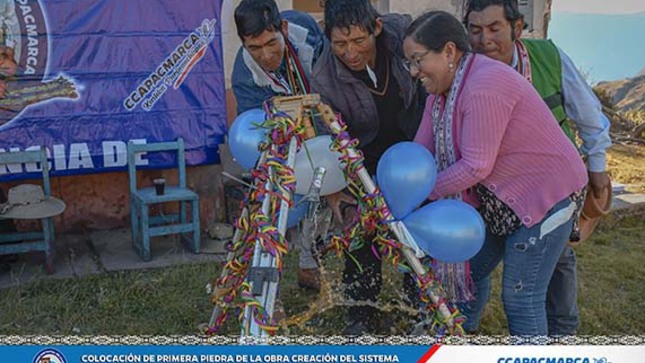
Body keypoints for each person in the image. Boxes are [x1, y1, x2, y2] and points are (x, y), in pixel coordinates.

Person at [402, 10, 588, 336]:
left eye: (418, 60)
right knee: (467, 275)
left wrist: (423, 194)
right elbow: (421, 151)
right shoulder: (441, 93)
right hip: (502, 202)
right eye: (409, 63)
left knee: (521, 296)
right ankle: (458, 341)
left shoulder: (483, 85)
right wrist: (392, 194)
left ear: (448, 51)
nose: (414, 71)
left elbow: (476, 165)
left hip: (545, 196)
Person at [463, 0, 612, 335]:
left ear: (517, 28)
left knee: (555, 257)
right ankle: (463, 328)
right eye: (475, 30)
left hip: (552, 185)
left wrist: (598, 171)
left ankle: (561, 334)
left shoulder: (547, 57)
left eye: (494, 28)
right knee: (477, 258)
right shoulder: (466, 69)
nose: (484, 39)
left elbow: (588, 115)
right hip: (495, 188)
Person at [311, 0, 426, 335]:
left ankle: (420, 301)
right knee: (362, 238)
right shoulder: (324, 78)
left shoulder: (404, 35)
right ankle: (361, 312)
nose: (350, 52)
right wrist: (338, 193)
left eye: (359, 41)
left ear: (376, 28)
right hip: (363, 160)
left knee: (416, 231)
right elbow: (326, 139)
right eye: (340, 44)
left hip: (414, 151)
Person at [232, 0, 326, 291]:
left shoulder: (305, 30)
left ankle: (310, 265)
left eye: (271, 43)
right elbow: (259, 131)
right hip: (278, 145)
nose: (265, 55)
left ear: (283, 29)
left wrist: (321, 141)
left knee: (321, 200)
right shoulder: (244, 76)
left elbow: (328, 82)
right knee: (273, 216)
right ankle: (265, 295)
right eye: (254, 48)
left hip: (319, 127)